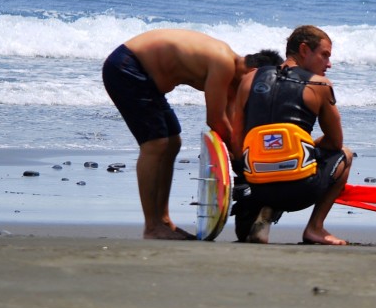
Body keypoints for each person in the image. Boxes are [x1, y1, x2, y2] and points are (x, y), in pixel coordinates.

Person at [102, 29, 282, 240]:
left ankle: (164, 221)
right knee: (155, 144)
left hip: (145, 79)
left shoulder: (234, 82)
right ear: (253, 70)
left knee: (172, 142)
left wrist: (244, 156)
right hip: (127, 66)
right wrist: (238, 157)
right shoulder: (223, 61)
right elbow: (215, 120)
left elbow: (232, 124)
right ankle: (152, 227)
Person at [232, 25, 353, 245]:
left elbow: (236, 140)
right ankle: (315, 228)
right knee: (345, 154)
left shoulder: (248, 80)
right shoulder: (320, 85)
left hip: (256, 187)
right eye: (324, 55)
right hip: (300, 191)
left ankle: (263, 207)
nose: (329, 64)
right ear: (304, 50)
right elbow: (335, 142)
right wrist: (307, 146)